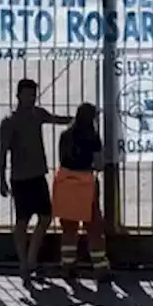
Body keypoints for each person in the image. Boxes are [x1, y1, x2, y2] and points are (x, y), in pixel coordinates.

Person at [0, 78, 73, 281]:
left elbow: (58, 119)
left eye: (33, 95)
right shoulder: (9, 122)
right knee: (22, 221)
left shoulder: (37, 114)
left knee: (46, 217)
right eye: (27, 95)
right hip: (20, 178)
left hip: (38, 174)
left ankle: (31, 259)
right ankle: (24, 262)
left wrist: (80, 118)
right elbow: (2, 152)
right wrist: (1, 178)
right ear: (18, 95)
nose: (31, 98)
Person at [53, 102, 111, 282]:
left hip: (64, 182)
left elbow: (62, 158)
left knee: (69, 227)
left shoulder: (65, 135)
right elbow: (99, 165)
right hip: (85, 183)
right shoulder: (93, 137)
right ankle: (100, 268)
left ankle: (67, 266)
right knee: (93, 227)